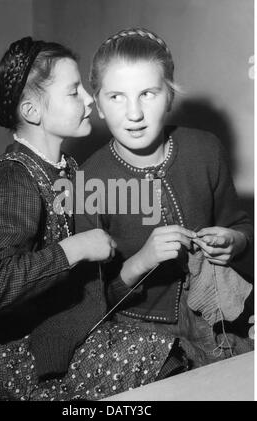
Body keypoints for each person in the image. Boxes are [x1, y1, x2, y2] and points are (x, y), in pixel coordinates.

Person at [0, 36, 180, 401]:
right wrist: (73, 248)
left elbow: (94, 277)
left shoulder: (70, 171)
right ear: (32, 112)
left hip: (58, 327)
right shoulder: (9, 178)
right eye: (74, 92)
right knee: (157, 369)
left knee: (168, 360)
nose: (90, 99)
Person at [74, 28, 254, 374]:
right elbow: (90, 302)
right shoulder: (88, 180)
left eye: (148, 93)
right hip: (139, 330)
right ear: (97, 105)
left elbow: (240, 225)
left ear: (170, 95)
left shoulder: (206, 149)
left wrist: (236, 240)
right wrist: (141, 261)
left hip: (218, 314)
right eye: (116, 97)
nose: (134, 113)